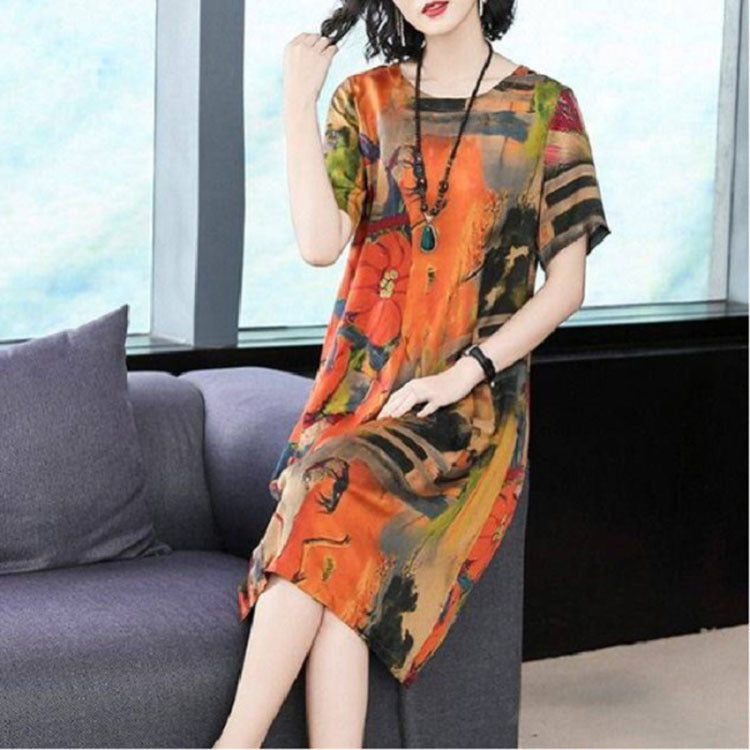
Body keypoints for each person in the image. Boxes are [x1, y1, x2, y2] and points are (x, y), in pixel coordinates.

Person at [214, 0, 611, 747]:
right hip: (364, 395)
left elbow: (566, 288)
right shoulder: (366, 99)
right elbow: (318, 244)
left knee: (328, 487)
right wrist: (296, 102)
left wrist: (464, 374)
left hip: (469, 411)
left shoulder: (545, 110)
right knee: (342, 584)